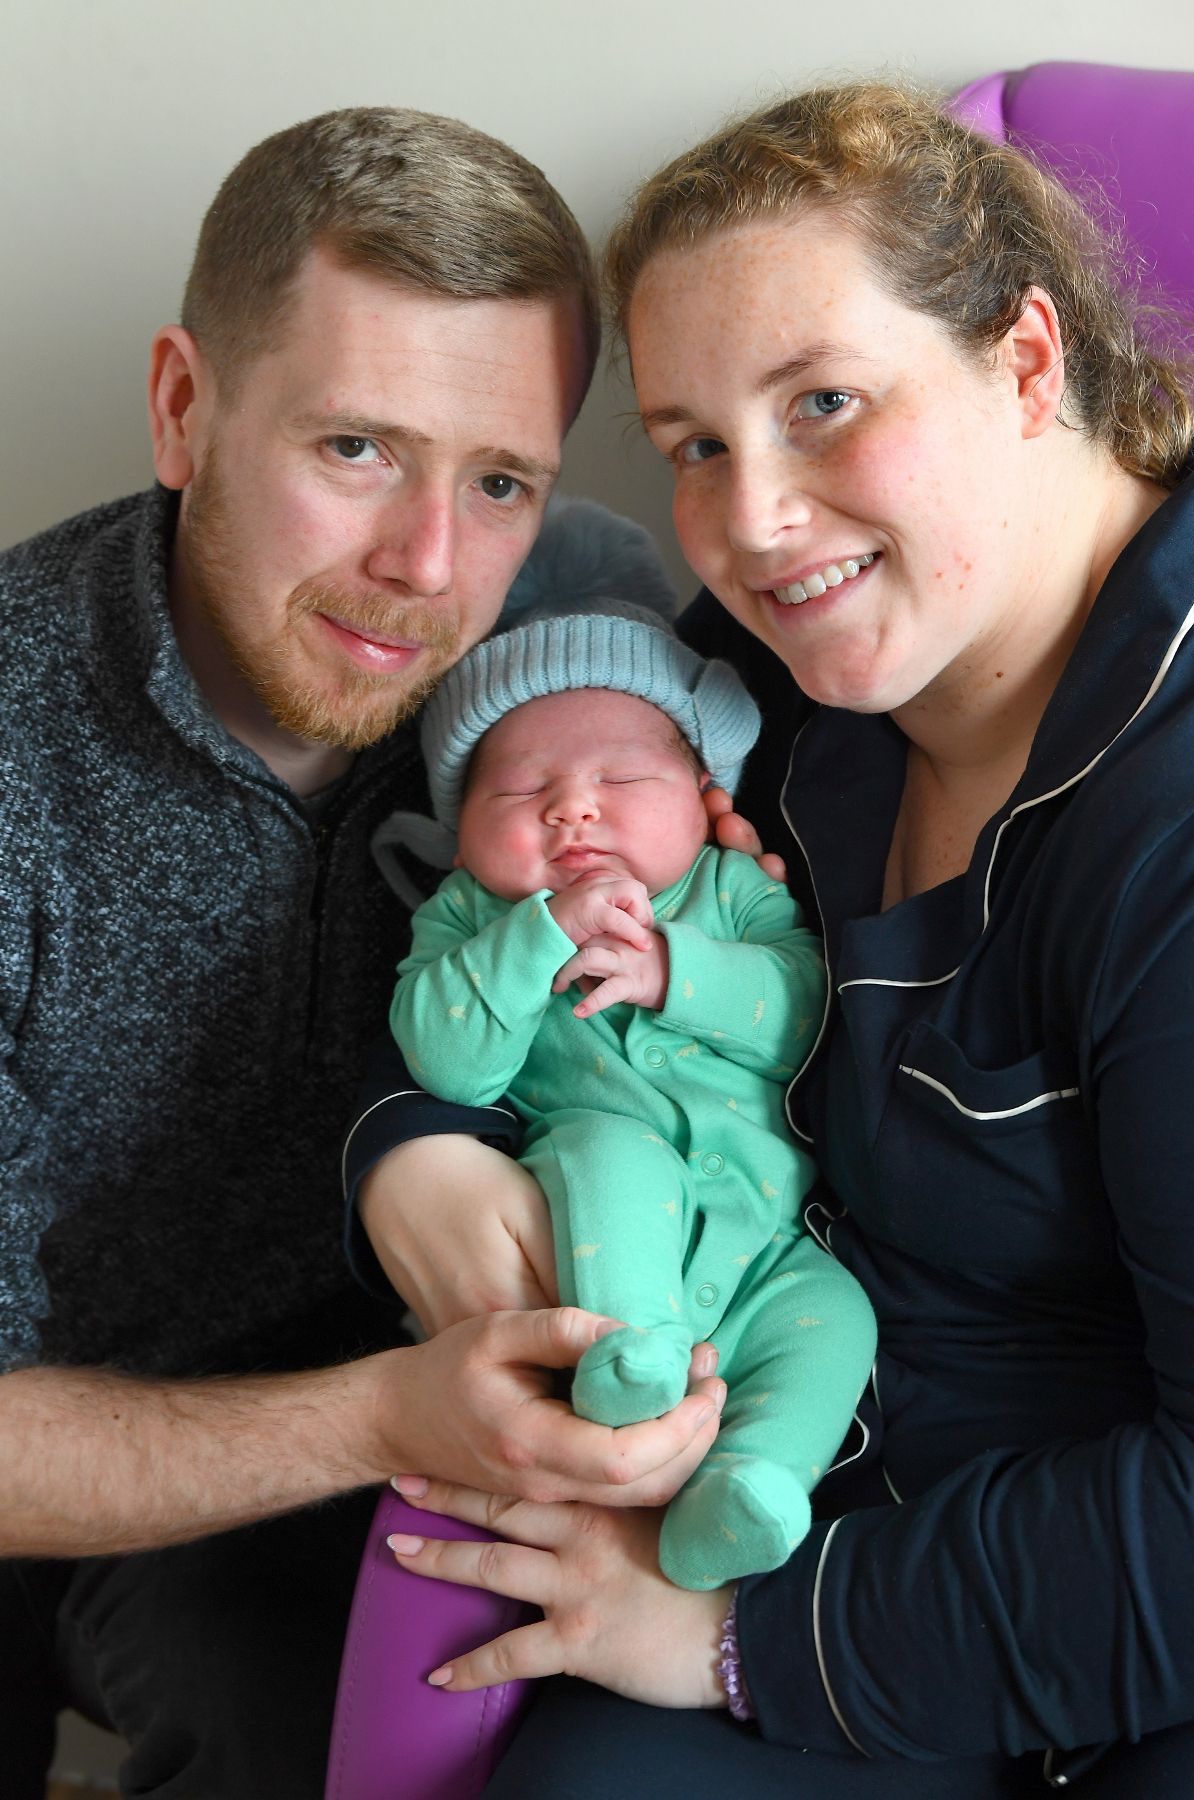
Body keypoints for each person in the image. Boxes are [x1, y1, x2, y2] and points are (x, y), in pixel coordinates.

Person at [350, 80, 1194, 1796]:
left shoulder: (1166, 818)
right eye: (694, 445)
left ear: (1029, 361)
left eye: (826, 402)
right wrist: (415, 1155)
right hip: (790, 1459)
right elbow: (514, 897)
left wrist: (745, 1639)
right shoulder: (792, 685)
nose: (748, 524)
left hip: (1110, 1598)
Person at [0, 107, 725, 1800]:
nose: (427, 568)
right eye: (354, 450)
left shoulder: (582, 642)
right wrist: (381, 1415)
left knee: (305, 1706)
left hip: (323, 1461)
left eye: (498, 480)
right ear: (185, 408)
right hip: (106, 1404)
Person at [378, 541, 877, 1589]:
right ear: (458, 835)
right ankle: (628, 1369)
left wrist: (674, 971)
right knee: (612, 1150)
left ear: (704, 796)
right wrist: (537, 937)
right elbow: (448, 1060)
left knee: (839, 1321)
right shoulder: (472, 918)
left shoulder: (729, 892)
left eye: (620, 778)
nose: (573, 810)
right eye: (520, 791)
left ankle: (748, 1485)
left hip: (765, 1248)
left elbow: (806, 1018)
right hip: (602, 1243)